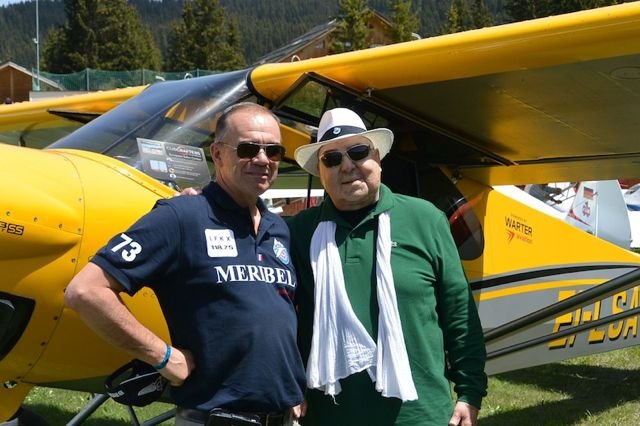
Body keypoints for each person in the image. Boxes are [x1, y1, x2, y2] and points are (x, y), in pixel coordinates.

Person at [64, 102, 306, 426]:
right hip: (215, 418)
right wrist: (163, 356)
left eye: (273, 151)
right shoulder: (181, 216)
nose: (263, 160)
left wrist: (292, 382)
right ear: (217, 154)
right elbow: (86, 291)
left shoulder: (279, 228)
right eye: (248, 149)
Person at [287, 108, 487, 426]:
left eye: (358, 152)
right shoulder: (299, 231)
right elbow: (278, 316)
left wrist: (470, 391)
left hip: (419, 415)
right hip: (329, 416)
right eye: (332, 159)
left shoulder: (426, 219)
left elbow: (459, 312)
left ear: (378, 158)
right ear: (321, 172)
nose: (347, 166)